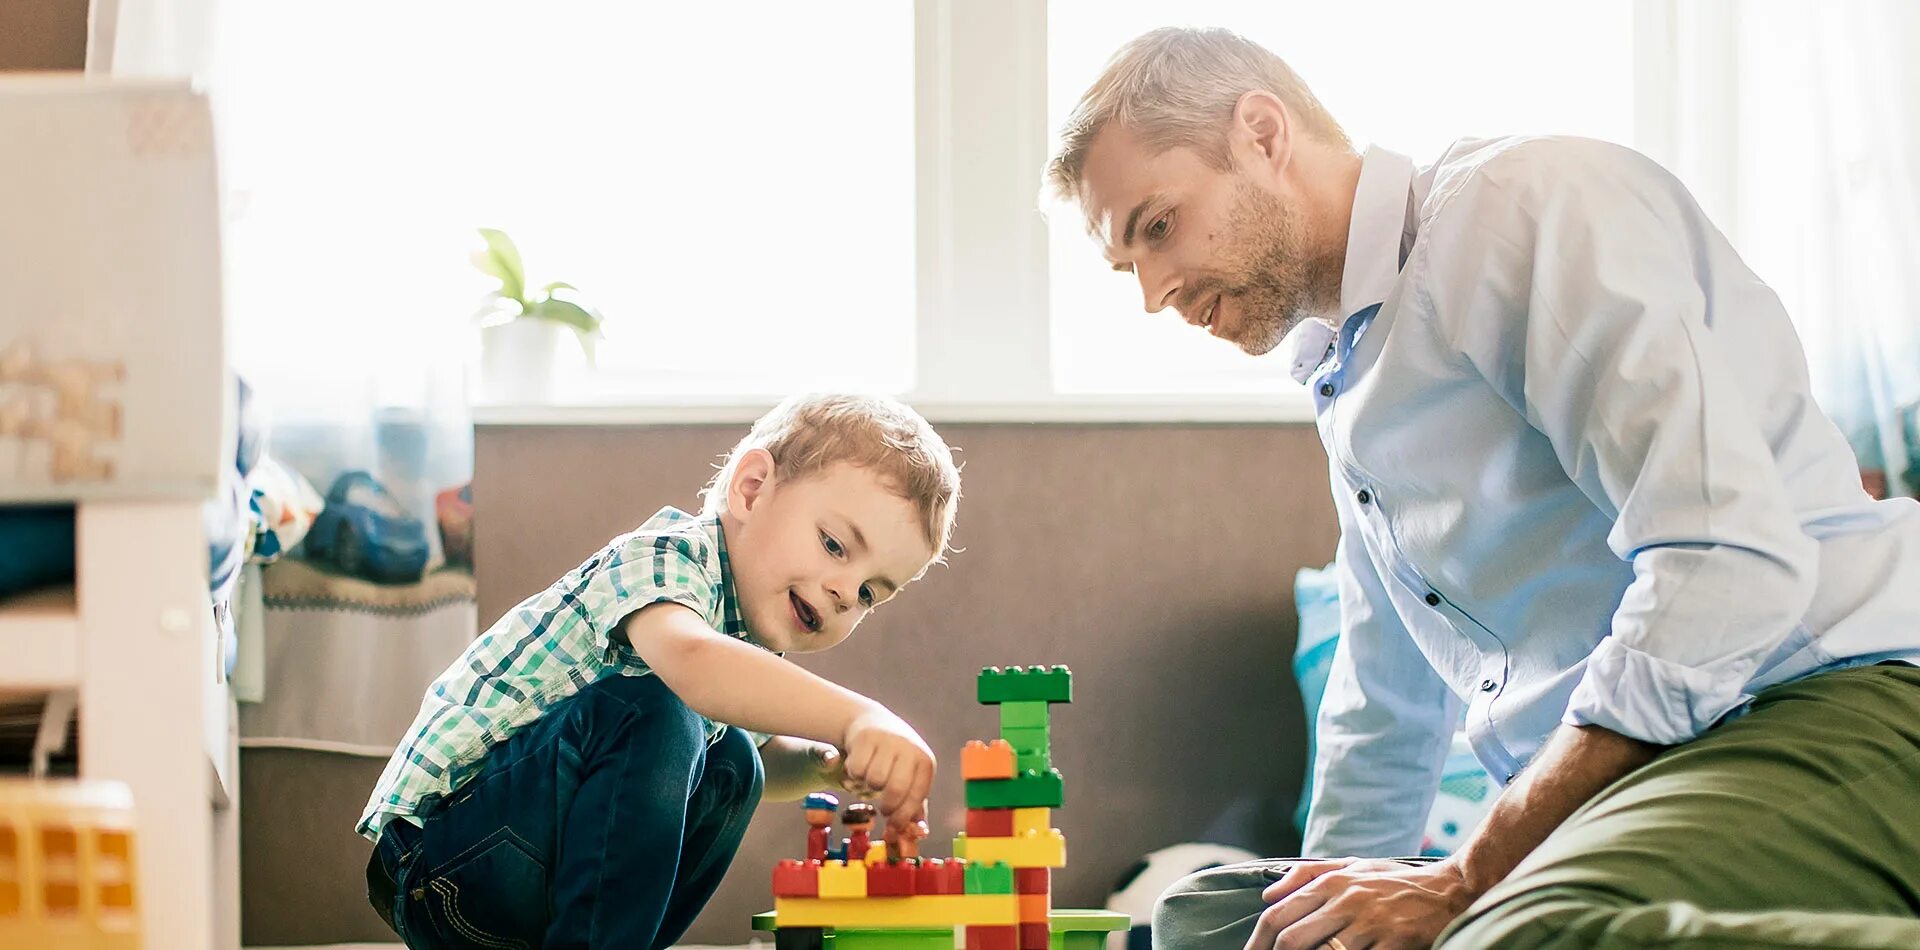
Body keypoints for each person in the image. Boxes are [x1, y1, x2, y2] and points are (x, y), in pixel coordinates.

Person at [1045, 26, 1920, 950]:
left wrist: (1475, 874)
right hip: (1631, 779)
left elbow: (1727, 557)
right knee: (1208, 925)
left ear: (1262, 135)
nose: (1152, 293)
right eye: (1126, 264)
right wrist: (1318, 920)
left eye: (1158, 226)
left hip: (1810, 702)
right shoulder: (1345, 375)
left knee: (1512, 934)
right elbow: (1384, 701)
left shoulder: (1518, 210)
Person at [359, 392, 961, 949]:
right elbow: (693, 666)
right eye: (834, 546)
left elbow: (749, 749)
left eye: (868, 595)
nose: (842, 592)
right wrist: (858, 715)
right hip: (441, 855)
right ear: (751, 490)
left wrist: (822, 760)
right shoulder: (669, 557)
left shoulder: (744, 646)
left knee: (736, 765)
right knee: (657, 709)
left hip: (537, 878)